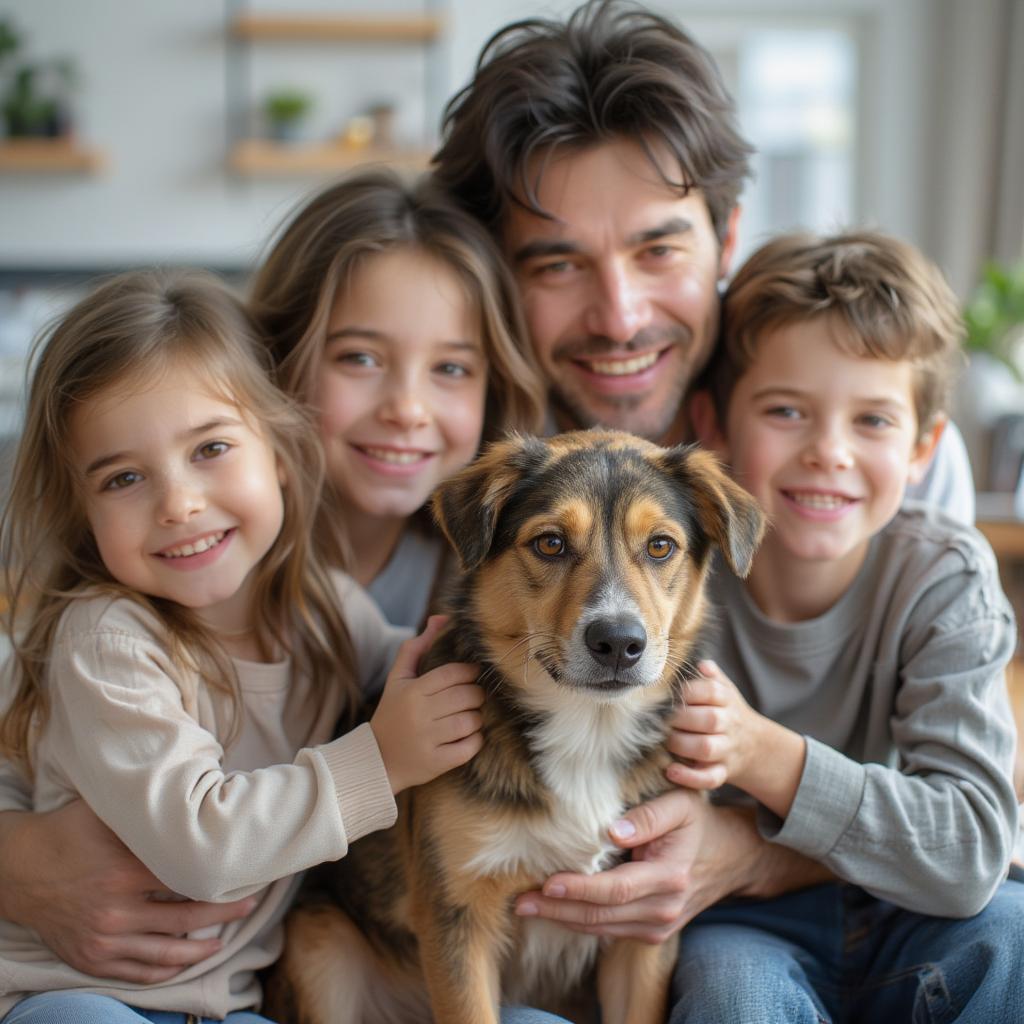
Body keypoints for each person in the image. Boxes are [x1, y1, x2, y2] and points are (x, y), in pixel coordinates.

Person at [428, 0, 984, 955]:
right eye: (558, 262)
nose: (619, 314)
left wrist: (751, 850)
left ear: (725, 242)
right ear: (498, 278)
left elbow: (954, 813)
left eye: (658, 248)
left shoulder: (859, 455)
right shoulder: (455, 448)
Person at [0, 269, 486, 1023]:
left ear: (282, 457)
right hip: (72, 994)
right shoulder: (110, 640)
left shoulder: (321, 610)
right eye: (124, 478)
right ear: (83, 511)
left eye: (211, 448)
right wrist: (382, 762)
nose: (178, 503)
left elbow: (421, 666)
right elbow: (201, 846)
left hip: (230, 1008)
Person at [666, 230, 1023, 1021]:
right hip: (737, 920)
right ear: (712, 425)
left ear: (926, 446)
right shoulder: (665, 573)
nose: (829, 452)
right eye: (787, 411)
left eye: (873, 421)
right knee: (731, 993)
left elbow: (968, 850)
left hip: (913, 911)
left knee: (1016, 940)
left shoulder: (943, 577)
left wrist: (764, 754)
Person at [248, 169, 546, 627]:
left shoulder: (524, 575)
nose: (407, 410)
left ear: (495, 388)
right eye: (360, 359)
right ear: (278, 359)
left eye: (450, 368)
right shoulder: (207, 559)